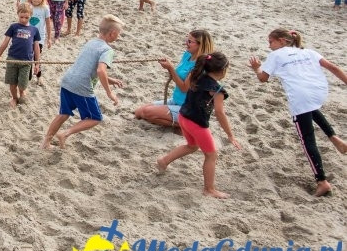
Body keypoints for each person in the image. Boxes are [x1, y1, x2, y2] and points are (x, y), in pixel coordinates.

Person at [249, 29, 347, 197]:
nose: (269, 45)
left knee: (307, 139)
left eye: (270, 42)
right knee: (311, 108)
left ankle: (322, 181)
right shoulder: (308, 51)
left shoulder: (276, 55)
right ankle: (336, 139)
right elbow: (333, 67)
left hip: (300, 96)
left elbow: (263, 78)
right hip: (318, 91)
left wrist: (257, 68)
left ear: (281, 41)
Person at [157, 52, 241, 199]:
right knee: (211, 155)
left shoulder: (196, 75)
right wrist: (230, 135)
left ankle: (164, 161)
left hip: (183, 117)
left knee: (192, 146)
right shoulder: (217, 90)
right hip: (197, 123)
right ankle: (209, 189)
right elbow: (220, 114)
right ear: (223, 70)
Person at [41, 15, 125, 149]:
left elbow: (87, 67)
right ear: (112, 33)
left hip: (68, 81)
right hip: (82, 86)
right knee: (95, 118)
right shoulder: (107, 50)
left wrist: (110, 80)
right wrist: (109, 93)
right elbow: (100, 71)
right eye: (118, 34)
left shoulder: (91, 42)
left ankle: (46, 142)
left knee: (64, 113)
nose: (118, 36)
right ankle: (65, 133)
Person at [134, 30, 214, 128]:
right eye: (187, 40)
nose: (186, 43)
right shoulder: (187, 55)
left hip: (187, 107)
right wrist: (170, 68)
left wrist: (171, 68)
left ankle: (186, 126)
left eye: (190, 41)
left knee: (147, 113)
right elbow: (178, 75)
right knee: (139, 112)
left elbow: (184, 88)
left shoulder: (199, 66)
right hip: (176, 100)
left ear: (200, 45)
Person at [0, 2, 41, 107]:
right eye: (21, 17)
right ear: (18, 14)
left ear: (30, 16)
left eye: (26, 17)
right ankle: (14, 98)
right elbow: (4, 43)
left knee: (22, 85)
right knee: (12, 84)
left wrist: (37, 64)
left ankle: (22, 91)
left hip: (26, 61)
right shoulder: (13, 27)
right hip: (12, 59)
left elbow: (36, 48)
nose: (23, 20)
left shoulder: (34, 30)